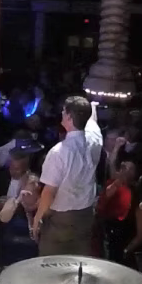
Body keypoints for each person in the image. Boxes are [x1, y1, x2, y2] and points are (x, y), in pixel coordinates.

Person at [33, 97, 102, 256]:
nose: (62, 114)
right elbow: (93, 122)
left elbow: (49, 192)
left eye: (64, 111)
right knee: (78, 261)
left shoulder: (59, 152)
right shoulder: (95, 139)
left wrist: (37, 218)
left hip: (62, 219)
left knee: (51, 262)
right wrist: (92, 108)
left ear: (69, 117)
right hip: (86, 215)